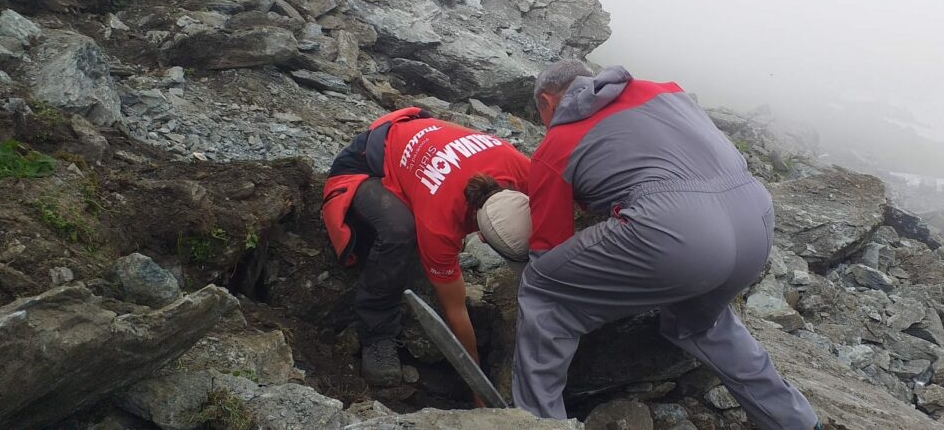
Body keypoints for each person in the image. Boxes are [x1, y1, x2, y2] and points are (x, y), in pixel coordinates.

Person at [513, 61, 821, 430]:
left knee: (543, 292)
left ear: (547, 101)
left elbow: (549, 247)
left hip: (678, 233)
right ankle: (796, 422)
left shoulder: (556, 145)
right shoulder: (665, 91)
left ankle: (540, 422)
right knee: (702, 324)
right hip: (756, 217)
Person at [322, 107, 530, 386]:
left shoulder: (521, 167)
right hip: (366, 164)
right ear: (480, 236)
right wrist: (479, 387)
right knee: (400, 231)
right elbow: (455, 310)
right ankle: (377, 332)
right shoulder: (439, 225)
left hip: (413, 132)